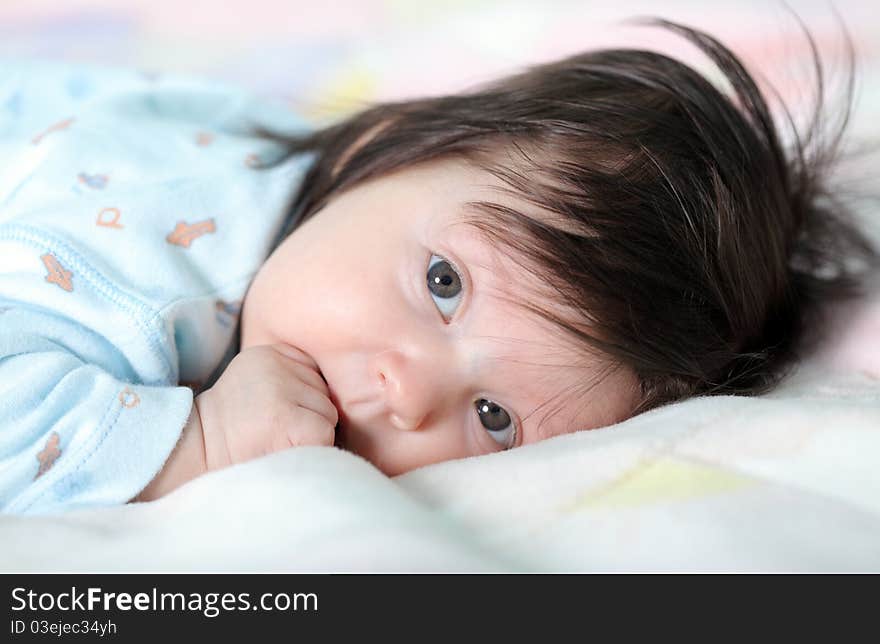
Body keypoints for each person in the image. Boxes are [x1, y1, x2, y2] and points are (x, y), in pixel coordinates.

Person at [1, 19, 876, 514]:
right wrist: (196, 447)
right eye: (443, 284)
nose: (410, 394)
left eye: (495, 417)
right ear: (387, 142)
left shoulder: (317, 213)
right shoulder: (147, 262)